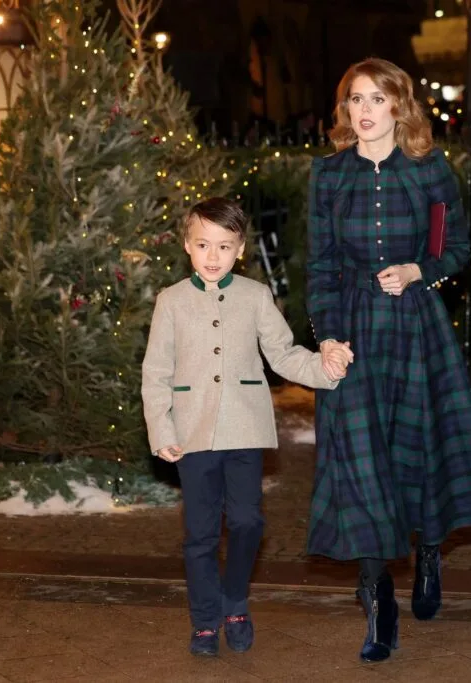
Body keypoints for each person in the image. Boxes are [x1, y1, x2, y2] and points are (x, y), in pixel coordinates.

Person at [305, 57, 471, 663]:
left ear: (400, 105)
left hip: (415, 328)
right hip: (352, 333)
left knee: (417, 451)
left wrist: (418, 270)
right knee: (359, 462)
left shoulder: (429, 171)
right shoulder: (327, 177)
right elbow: (319, 267)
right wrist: (326, 337)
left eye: (377, 98)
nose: (365, 109)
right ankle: (378, 603)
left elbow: (455, 249)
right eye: (355, 99)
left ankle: (427, 550)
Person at [141, 197, 352, 657]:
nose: (212, 256)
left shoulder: (255, 297)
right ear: (187, 246)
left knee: (247, 520)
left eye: (223, 246)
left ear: (239, 250)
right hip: (192, 433)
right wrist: (162, 430)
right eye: (203, 245)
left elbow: (282, 352)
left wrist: (326, 370)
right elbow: (155, 372)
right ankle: (204, 621)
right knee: (199, 534)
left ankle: (234, 599)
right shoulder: (171, 302)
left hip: (245, 429)